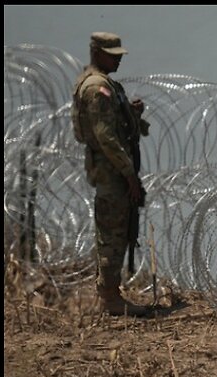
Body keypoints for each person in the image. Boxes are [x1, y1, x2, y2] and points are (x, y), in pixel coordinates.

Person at [71, 32, 152, 317]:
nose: (118, 59)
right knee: (112, 232)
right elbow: (105, 136)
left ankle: (109, 294)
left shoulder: (105, 84)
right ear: (96, 52)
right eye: (112, 54)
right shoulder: (97, 87)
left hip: (114, 168)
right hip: (112, 171)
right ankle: (110, 299)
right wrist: (129, 174)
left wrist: (132, 113)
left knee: (117, 228)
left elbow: (111, 122)